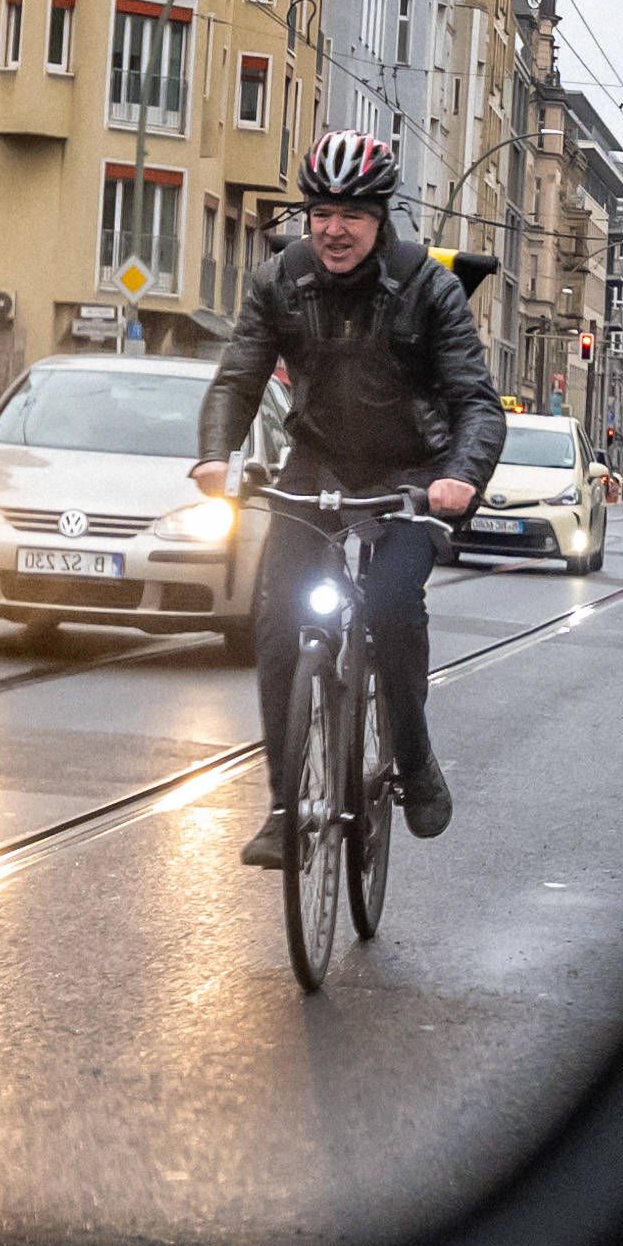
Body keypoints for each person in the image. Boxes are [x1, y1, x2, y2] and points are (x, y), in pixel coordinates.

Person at [198, 129, 499, 864]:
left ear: (380, 217)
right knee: (276, 624)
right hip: (318, 467)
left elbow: (476, 403)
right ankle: (282, 808)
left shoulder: (426, 286)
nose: (333, 230)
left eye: (351, 215)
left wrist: (460, 477)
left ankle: (414, 755)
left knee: (392, 606)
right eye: (320, 213)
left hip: (413, 477)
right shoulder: (280, 280)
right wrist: (215, 452)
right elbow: (239, 376)